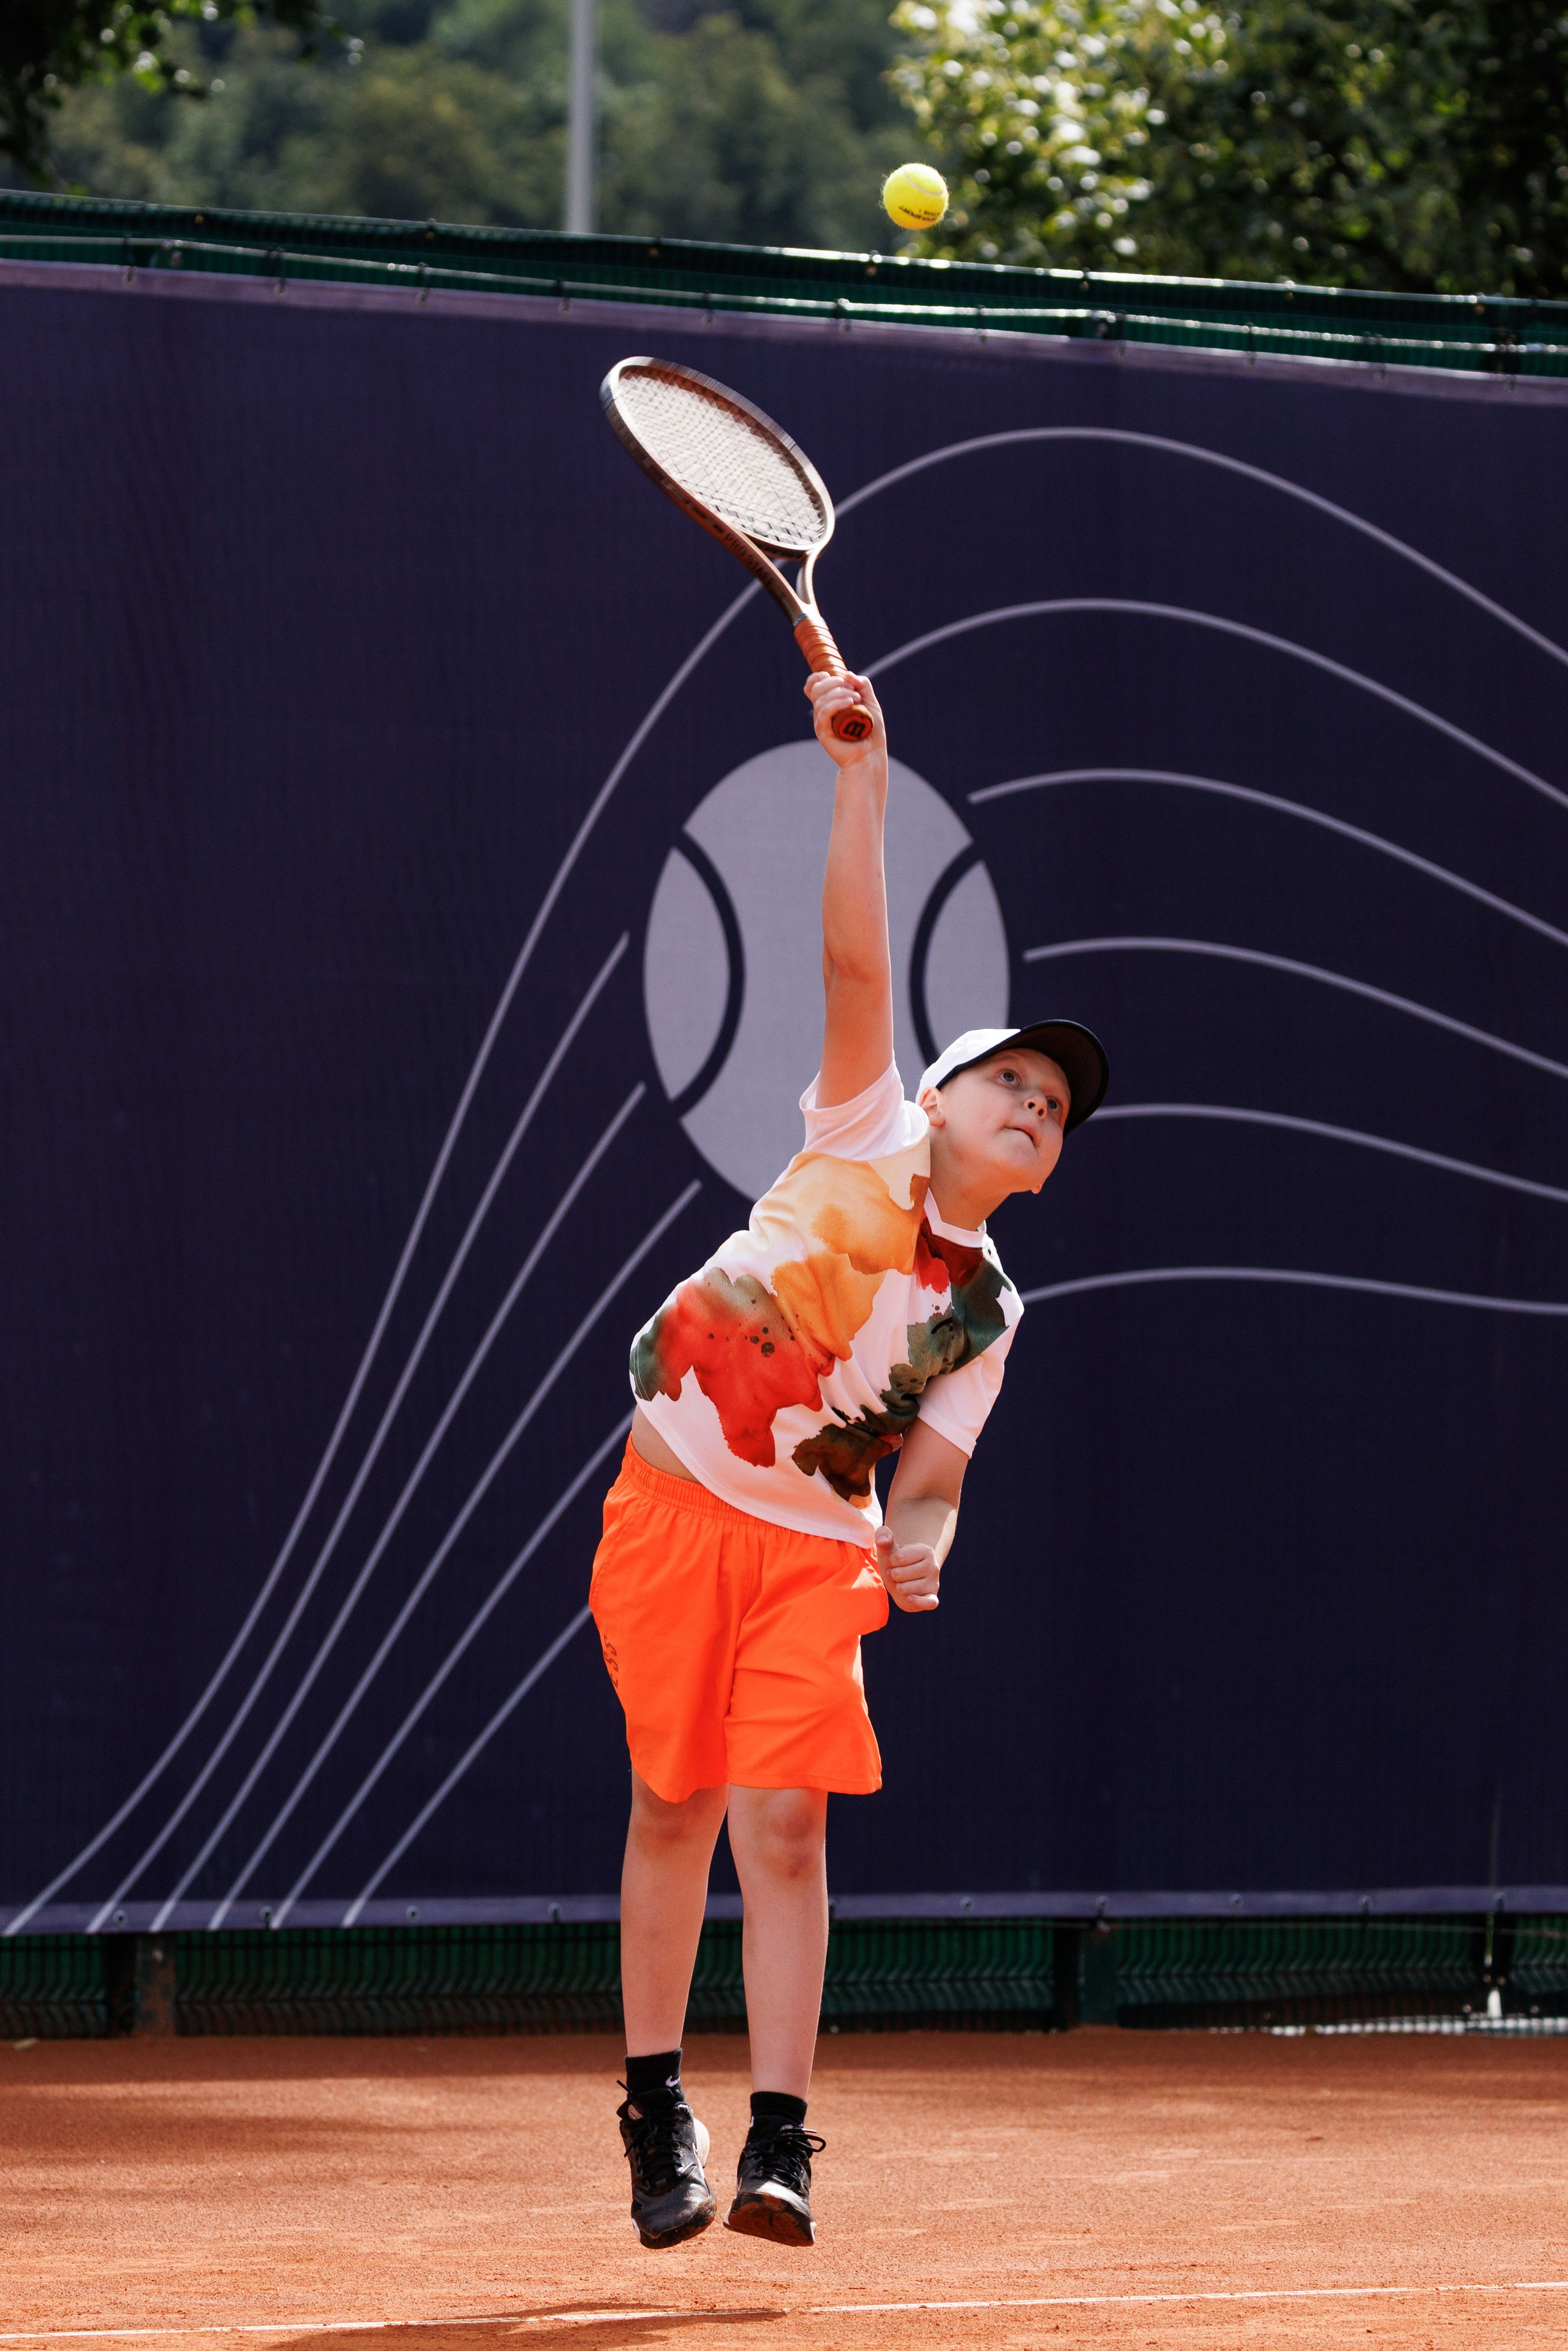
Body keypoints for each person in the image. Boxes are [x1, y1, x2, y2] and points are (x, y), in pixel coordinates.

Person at [589, 663, 1109, 2251]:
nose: (1035, 1105)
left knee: (790, 1824)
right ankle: (654, 2101)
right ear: (938, 1097)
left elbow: (935, 1471)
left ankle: (785, 2138)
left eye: (1057, 1109)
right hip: (676, 1502)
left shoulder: (992, 1310)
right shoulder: (860, 1120)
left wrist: (932, 1537)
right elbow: (850, 951)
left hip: (816, 1554)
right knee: (675, 1804)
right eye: (1011, 1079)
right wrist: (864, 783)